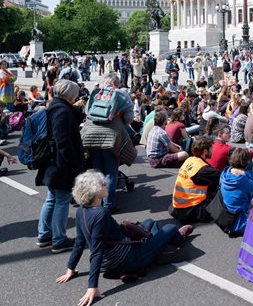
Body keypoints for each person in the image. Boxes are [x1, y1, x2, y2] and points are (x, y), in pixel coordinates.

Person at [55, 171, 193, 306]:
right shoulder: (102, 213)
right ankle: (177, 239)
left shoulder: (81, 210)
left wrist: (70, 268)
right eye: (103, 184)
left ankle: (153, 254)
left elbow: (79, 242)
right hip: (127, 258)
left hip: (112, 260)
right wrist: (92, 287)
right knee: (170, 228)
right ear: (96, 191)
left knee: (150, 222)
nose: (106, 185)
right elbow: (97, 251)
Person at [36, 80, 85, 253]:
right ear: (70, 94)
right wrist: (73, 161)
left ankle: (44, 235)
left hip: (53, 163)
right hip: (61, 164)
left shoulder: (54, 106)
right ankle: (58, 239)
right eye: (76, 93)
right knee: (62, 200)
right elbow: (62, 140)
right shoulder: (62, 111)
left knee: (52, 199)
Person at [81, 73, 136, 214]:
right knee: (111, 171)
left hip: (90, 135)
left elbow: (87, 112)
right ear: (117, 83)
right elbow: (129, 118)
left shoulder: (95, 93)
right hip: (111, 136)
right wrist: (119, 122)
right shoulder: (122, 94)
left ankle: (97, 201)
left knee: (98, 170)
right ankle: (109, 204)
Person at [169, 137, 221, 223]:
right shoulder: (203, 169)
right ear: (205, 151)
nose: (213, 150)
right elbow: (222, 177)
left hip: (177, 207)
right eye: (211, 148)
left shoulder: (189, 160)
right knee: (219, 189)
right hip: (191, 210)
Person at [220, 148, 253, 236]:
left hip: (227, 215)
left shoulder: (225, 173)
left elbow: (241, 173)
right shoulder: (246, 183)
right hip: (240, 222)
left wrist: (250, 171)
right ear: (247, 163)